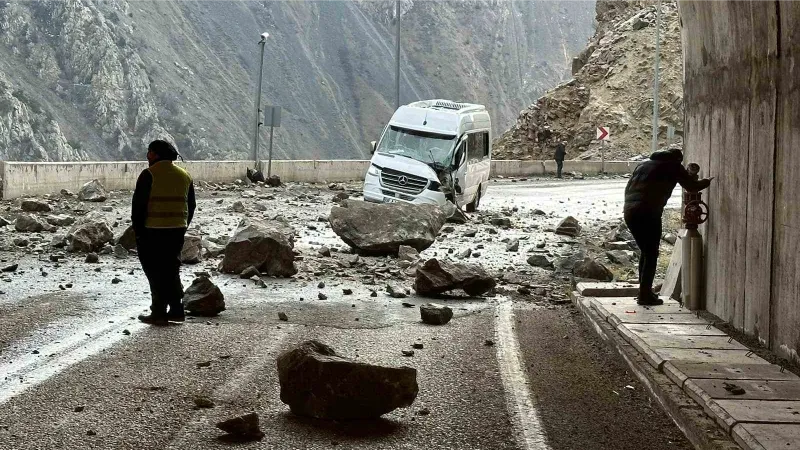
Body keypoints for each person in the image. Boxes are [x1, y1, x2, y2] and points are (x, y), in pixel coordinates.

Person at [623, 148, 712, 306]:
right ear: (677, 159)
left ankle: (644, 291)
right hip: (649, 211)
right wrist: (707, 182)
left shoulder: (642, 165)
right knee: (651, 253)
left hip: (630, 212)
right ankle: (645, 295)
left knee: (646, 251)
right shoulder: (673, 165)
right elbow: (691, 186)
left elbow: (629, 188)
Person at [132, 140, 196, 325]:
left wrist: (138, 232)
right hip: (176, 230)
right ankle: (177, 310)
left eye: (149, 152)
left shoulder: (149, 174)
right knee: (171, 269)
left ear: (155, 154)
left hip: (152, 231)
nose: (147, 156)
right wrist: (183, 225)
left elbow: (138, 207)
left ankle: (158, 312)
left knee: (154, 271)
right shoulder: (185, 175)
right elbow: (191, 205)